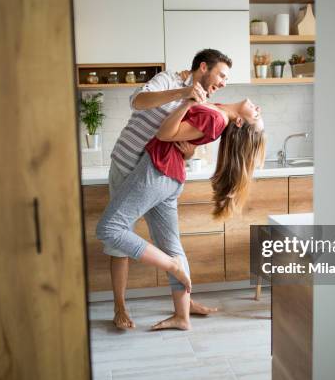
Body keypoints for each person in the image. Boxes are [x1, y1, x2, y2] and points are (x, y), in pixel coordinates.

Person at [96, 98, 265, 330]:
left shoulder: (217, 117)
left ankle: (171, 265)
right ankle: (182, 316)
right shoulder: (218, 110)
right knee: (172, 245)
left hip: (158, 171)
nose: (258, 108)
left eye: (255, 116)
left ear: (239, 122)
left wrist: (186, 102)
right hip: (171, 176)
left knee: (109, 228)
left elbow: (166, 133)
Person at [103, 49, 232, 329]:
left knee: (171, 242)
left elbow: (186, 143)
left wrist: (187, 154)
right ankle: (120, 306)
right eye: (221, 74)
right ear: (203, 67)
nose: (223, 82)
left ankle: (184, 304)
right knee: (117, 237)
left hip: (157, 174)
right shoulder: (168, 79)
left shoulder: (203, 101)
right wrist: (181, 93)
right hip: (127, 165)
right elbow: (137, 101)